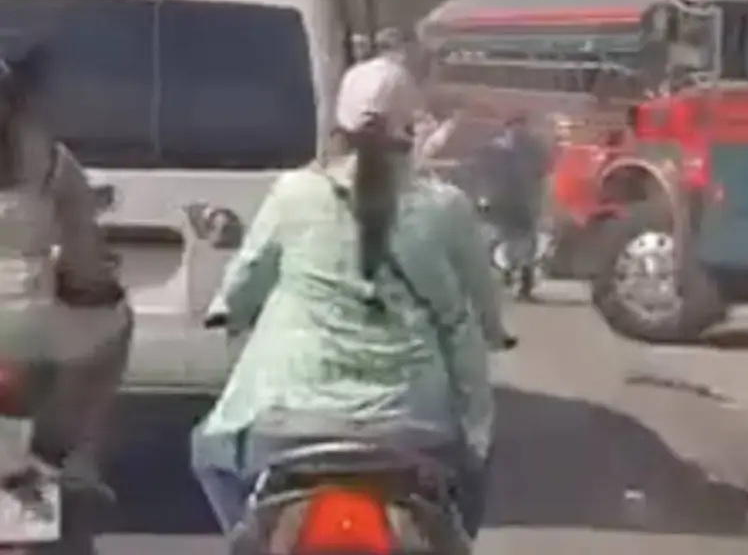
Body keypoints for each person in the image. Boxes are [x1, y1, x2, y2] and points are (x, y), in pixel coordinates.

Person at [190, 55, 512, 539]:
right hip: (416, 426)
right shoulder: (445, 207)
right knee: (471, 472)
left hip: (287, 420)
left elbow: (245, 279)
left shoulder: (295, 193)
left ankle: (247, 541)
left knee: (209, 454)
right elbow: (482, 298)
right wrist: (494, 329)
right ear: (411, 126)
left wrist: (227, 308)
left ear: (337, 124)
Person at [0, 43, 132, 542]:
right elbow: (86, 266)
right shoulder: (50, 161)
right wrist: (91, 285)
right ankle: (62, 458)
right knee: (114, 325)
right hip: (28, 338)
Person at [476, 112, 550, 300]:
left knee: (516, 243)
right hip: (510, 202)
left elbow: (543, 170)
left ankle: (515, 282)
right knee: (509, 242)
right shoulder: (507, 148)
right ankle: (512, 281)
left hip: (515, 202)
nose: (518, 131)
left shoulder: (503, 148)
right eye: (515, 127)